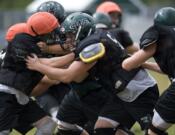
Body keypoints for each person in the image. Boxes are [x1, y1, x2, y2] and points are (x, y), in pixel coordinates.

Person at [26, 12, 159, 135]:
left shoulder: (93, 46)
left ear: (81, 31)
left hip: (140, 91)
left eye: (71, 35)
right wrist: (35, 60)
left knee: (153, 131)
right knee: (103, 128)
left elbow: (67, 76)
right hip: (123, 93)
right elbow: (61, 60)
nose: (68, 39)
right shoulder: (94, 39)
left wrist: (38, 66)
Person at [0, 12, 62, 135]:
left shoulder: (17, 49)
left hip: (19, 96)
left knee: (47, 124)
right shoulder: (22, 48)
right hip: (5, 96)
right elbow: (47, 76)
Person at [122, 7, 175, 135]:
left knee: (153, 131)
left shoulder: (160, 32)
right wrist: (145, 65)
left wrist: (126, 58)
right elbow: (171, 69)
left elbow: (127, 65)